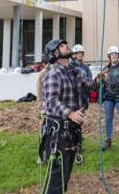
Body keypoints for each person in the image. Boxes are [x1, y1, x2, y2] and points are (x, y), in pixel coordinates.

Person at [40, 39, 87, 193]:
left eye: (65, 44)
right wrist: (70, 113)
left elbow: (89, 84)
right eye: (61, 45)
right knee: (57, 178)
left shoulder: (73, 72)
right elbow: (52, 101)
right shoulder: (53, 74)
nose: (67, 46)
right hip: (58, 133)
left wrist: (102, 79)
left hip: (71, 132)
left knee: (64, 176)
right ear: (55, 53)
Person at [69, 44, 92, 110]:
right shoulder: (70, 66)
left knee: (81, 116)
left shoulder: (86, 67)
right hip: (73, 95)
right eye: (78, 53)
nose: (80, 55)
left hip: (83, 95)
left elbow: (90, 79)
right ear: (74, 55)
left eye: (81, 53)